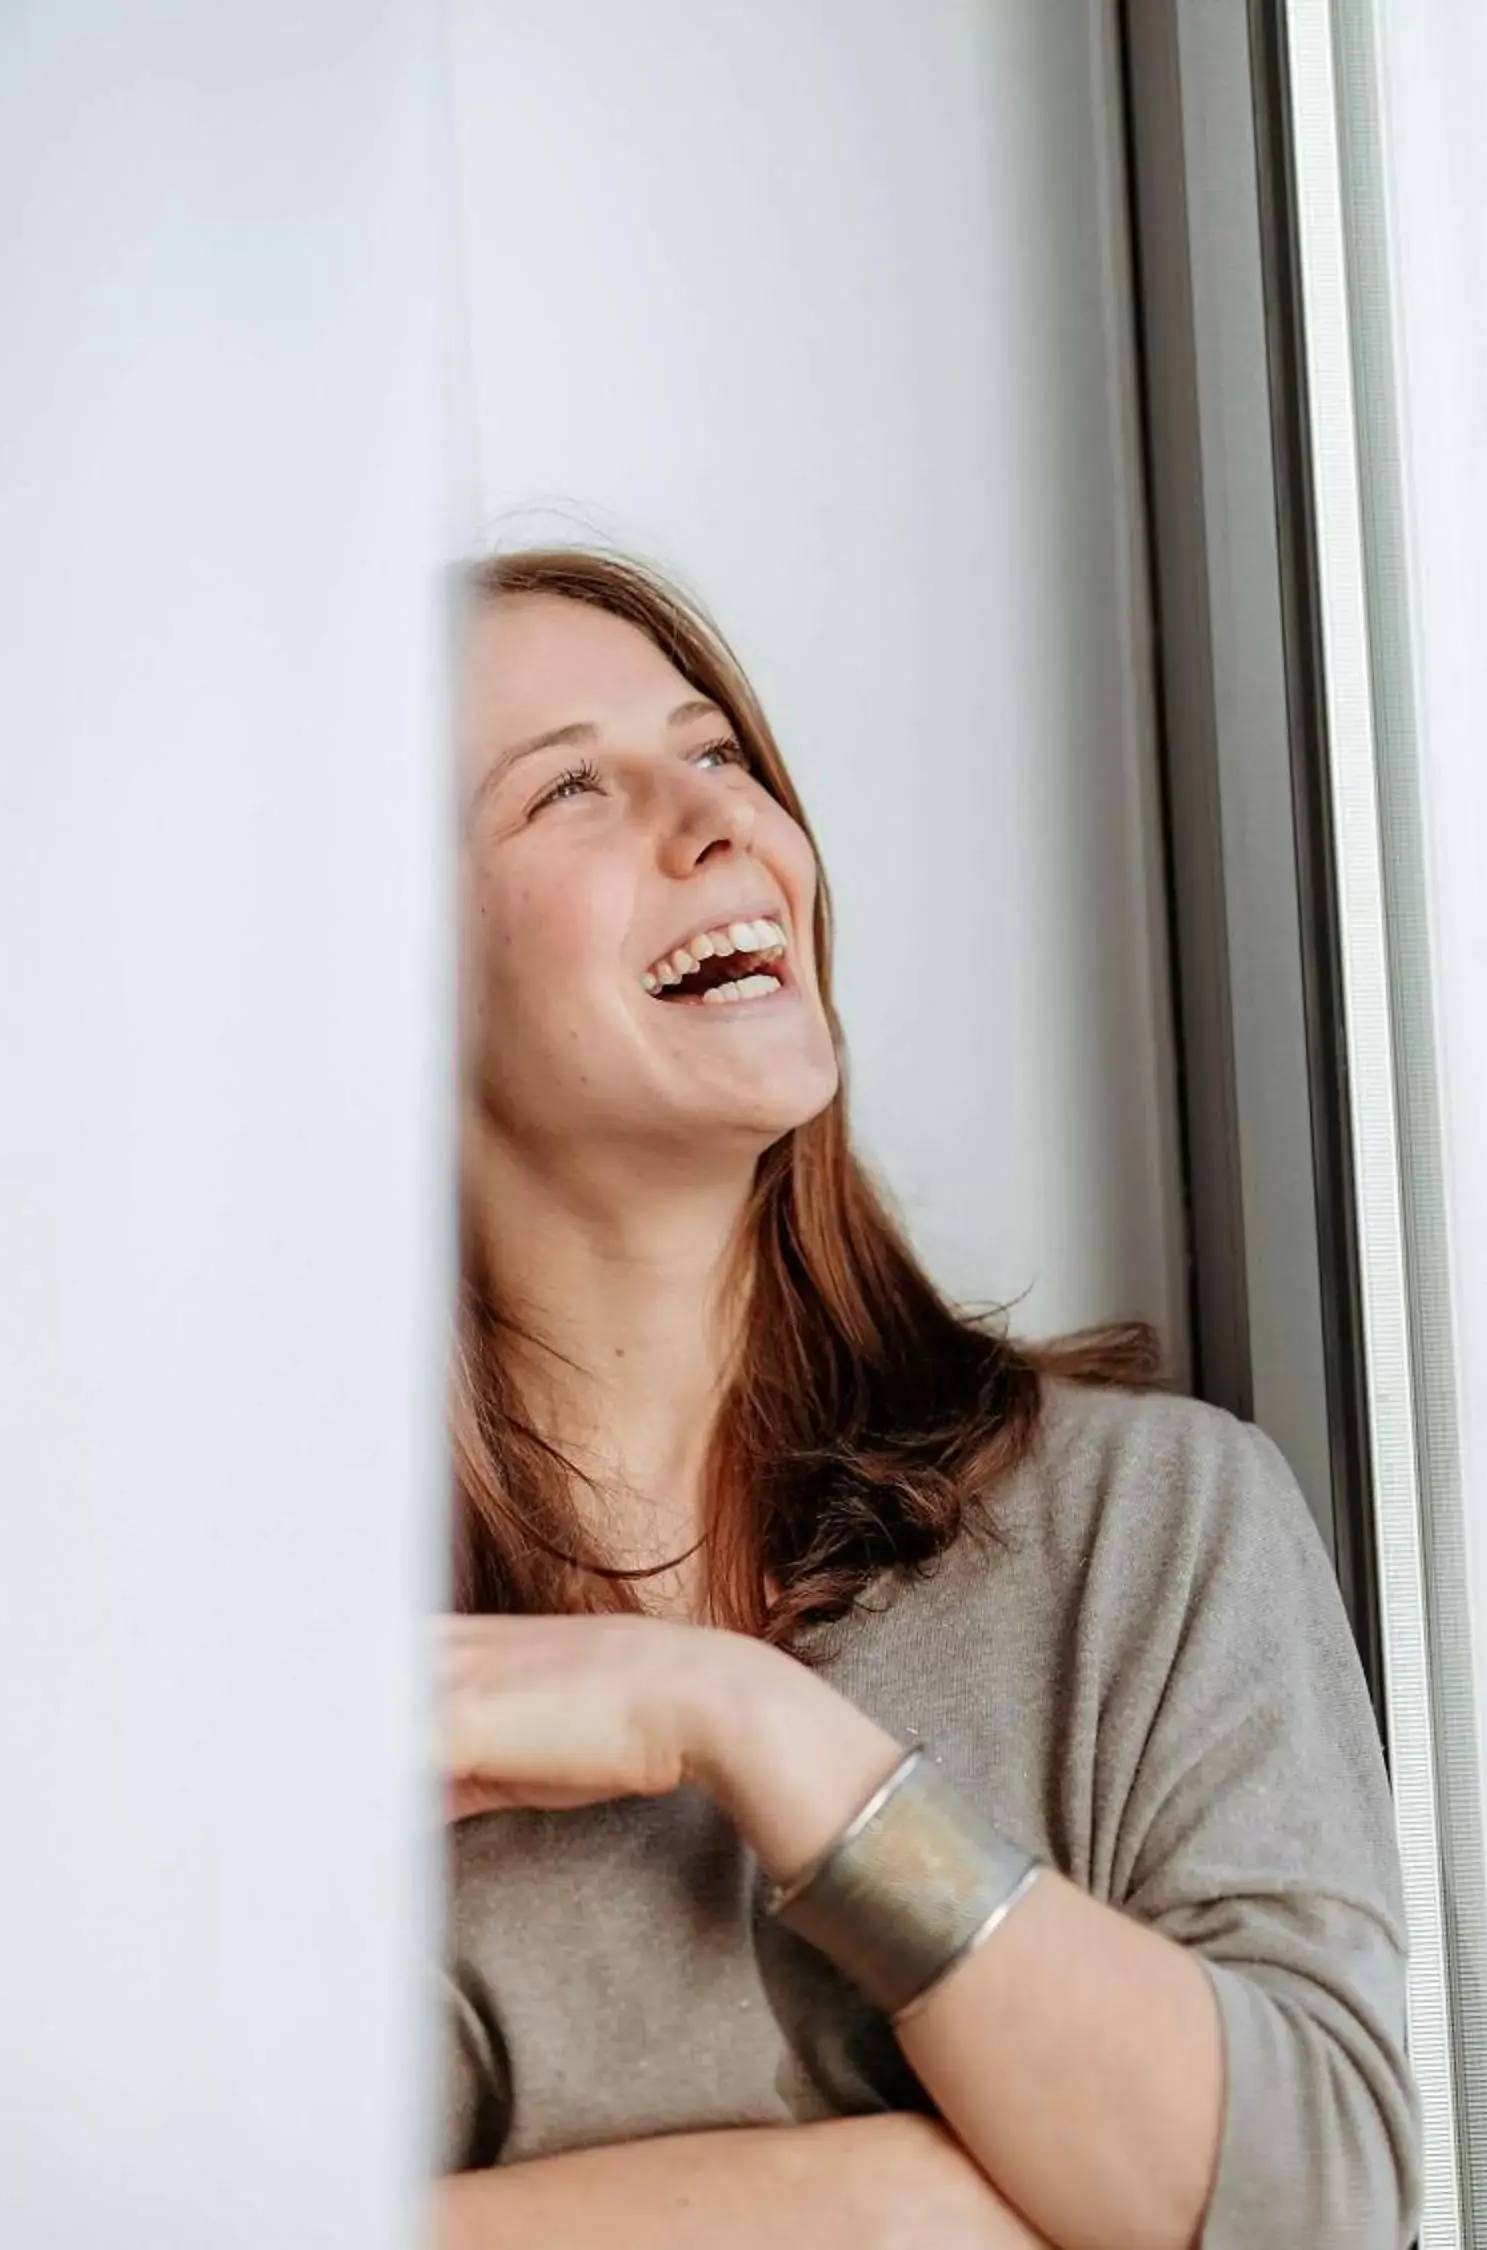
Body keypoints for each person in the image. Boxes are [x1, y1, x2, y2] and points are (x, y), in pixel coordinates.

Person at [439, 546, 1421, 2250]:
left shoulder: (1151, 1526)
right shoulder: (289, 1676)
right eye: (574, 789)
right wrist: (911, 2216)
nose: (718, 822)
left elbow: (1316, 2205)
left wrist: (749, 1726)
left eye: (721, 752)